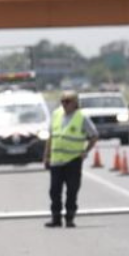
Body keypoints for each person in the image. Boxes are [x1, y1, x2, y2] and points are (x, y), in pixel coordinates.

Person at [42, 90, 99, 228]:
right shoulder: (56, 114)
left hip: (73, 160)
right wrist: (46, 155)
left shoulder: (81, 117)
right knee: (54, 191)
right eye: (62, 101)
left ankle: (69, 218)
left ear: (75, 103)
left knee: (72, 190)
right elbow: (51, 137)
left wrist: (86, 151)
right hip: (56, 160)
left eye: (67, 101)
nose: (64, 104)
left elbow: (94, 135)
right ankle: (56, 218)